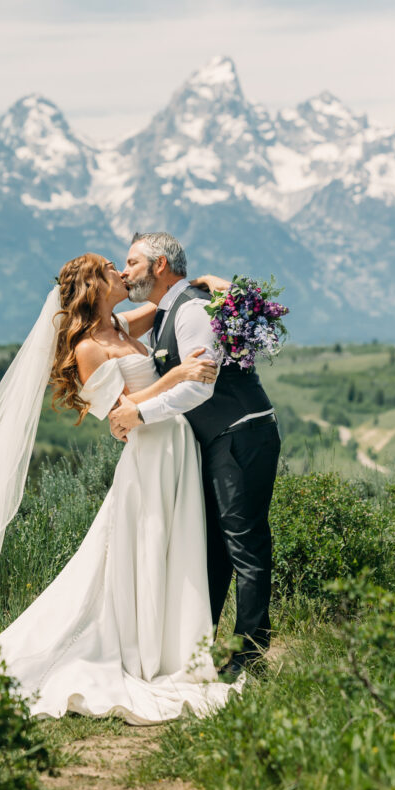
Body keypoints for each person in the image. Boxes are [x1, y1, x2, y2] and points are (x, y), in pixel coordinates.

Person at [0, 252, 237, 724]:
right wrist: (176, 376)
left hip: (176, 445)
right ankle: (135, 649)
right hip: (147, 453)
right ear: (94, 286)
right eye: (109, 269)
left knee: (173, 546)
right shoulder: (87, 347)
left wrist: (213, 284)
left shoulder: (121, 325)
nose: (121, 272)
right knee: (145, 545)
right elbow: (117, 412)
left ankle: (170, 647)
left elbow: (169, 304)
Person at [110, 232, 280, 678]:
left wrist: (139, 414)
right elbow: (111, 327)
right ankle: (201, 649)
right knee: (212, 548)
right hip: (214, 441)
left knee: (243, 544)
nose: (125, 271)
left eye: (131, 262)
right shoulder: (170, 309)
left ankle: (251, 657)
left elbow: (200, 386)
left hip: (241, 433)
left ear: (160, 265)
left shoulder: (191, 309)